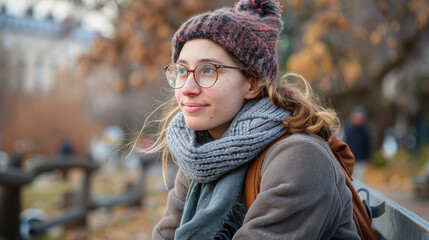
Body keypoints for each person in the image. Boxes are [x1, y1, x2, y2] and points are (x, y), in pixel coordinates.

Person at [142, 0, 360, 239]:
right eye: (182, 70)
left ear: (254, 83)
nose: (187, 88)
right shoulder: (200, 155)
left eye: (208, 70)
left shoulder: (300, 157)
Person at [345, 106, 371, 180]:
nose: (358, 119)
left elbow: (367, 146)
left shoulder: (365, 132)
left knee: (359, 180)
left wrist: (367, 159)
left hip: (360, 161)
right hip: (348, 160)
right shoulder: (347, 129)